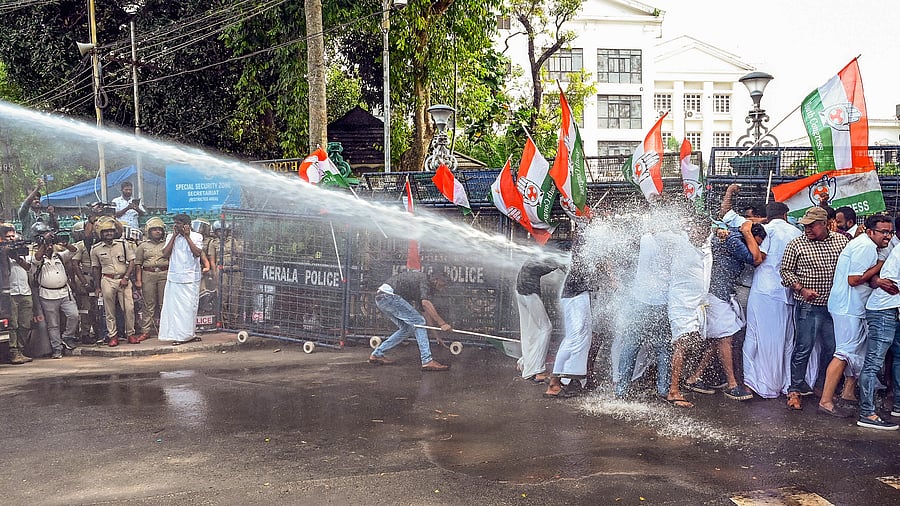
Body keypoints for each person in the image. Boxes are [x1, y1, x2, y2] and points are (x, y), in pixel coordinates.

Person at [819, 215, 893, 418]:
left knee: (856, 352)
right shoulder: (866, 246)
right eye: (883, 232)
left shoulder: (867, 244)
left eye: (889, 231)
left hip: (853, 306)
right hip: (847, 307)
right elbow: (854, 279)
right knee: (844, 352)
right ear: (871, 232)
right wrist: (880, 265)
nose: (887, 236)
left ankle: (848, 394)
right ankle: (825, 401)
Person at [683, 220, 765, 401]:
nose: (755, 247)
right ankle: (732, 385)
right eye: (755, 242)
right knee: (725, 338)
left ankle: (694, 377)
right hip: (715, 294)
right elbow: (756, 259)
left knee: (720, 339)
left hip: (720, 294)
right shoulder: (735, 240)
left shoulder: (731, 237)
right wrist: (748, 233)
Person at [780, 206, 849, 410]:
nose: (807, 229)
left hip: (833, 307)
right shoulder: (796, 244)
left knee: (832, 349)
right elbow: (785, 271)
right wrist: (801, 289)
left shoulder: (840, 241)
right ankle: (794, 391)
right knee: (803, 348)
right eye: (805, 226)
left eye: (812, 226)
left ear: (825, 224)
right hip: (808, 306)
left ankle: (821, 386)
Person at [742, 201, 803, 399]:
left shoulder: (766, 231)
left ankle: (757, 383)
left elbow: (759, 256)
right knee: (786, 341)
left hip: (764, 291)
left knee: (755, 336)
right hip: (788, 292)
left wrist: (748, 234)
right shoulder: (797, 233)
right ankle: (785, 384)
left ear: (768, 216)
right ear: (786, 215)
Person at [664, 213, 713, 408]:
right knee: (682, 344)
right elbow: (657, 229)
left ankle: (684, 379)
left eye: (703, 231)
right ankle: (673, 390)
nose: (698, 234)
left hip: (699, 305)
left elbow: (716, 227)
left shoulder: (706, 243)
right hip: (680, 304)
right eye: (695, 230)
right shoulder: (678, 239)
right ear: (690, 229)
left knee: (694, 342)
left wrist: (719, 230)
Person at [544, 225, 594, 398]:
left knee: (576, 338)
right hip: (575, 296)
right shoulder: (586, 244)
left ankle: (563, 381)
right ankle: (556, 383)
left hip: (576, 295)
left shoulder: (585, 244)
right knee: (575, 339)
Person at [370, 268, 451, 371]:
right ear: (436, 280)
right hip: (389, 296)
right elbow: (426, 304)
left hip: (381, 298)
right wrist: (442, 323)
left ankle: (377, 354)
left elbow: (425, 312)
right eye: (442, 285)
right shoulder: (424, 280)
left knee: (407, 328)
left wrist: (436, 336)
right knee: (418, 321)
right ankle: (427, 360)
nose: (442, 288)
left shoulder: (421, 287)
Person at [858, 232, 900, 430]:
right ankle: (867, 414)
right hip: (883, 310)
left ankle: (898, 406)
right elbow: (890, 285)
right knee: (874, 362)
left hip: (893, 309)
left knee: (898, 357)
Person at [32, 222, 79, 358]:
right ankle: (57, 349)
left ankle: (67, 337)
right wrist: (44, 244)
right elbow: (36, 258)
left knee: (74, 315)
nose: (50, 247)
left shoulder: (58, 255)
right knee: (53, 324)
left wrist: (63, 243)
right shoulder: (37, 257)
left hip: (64, 292)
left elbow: (73, 251)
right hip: (47, 294)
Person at [515, 256, 564, 383]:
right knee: (545, 328)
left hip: (520, 290)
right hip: (530, 292)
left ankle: (526, 363)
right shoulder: (558, 254)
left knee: (530, 330)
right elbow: (565, 267)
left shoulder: (542, 250)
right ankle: (538, 371)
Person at [158, 214, 204, 345]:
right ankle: (178, 336)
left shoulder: (197, 236)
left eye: (179, 223)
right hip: (174, 277)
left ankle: (189, 334)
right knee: (174, 309)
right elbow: (165, 254)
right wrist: (174, 236)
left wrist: (187, 236)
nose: (176, 225)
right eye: (175, 223)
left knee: (190, 308)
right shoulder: (170, 237)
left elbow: (197, 253)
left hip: (190, 278)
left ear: (187, 225)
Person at [90, 217, 137, 347]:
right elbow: (95, 268)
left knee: (129, 308)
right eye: (106, 231)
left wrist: (126, 277)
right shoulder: (96, 248)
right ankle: (113, 336)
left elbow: (132, 262)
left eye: (111, 231)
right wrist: (97, 286)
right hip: (107, 279)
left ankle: (130, 334)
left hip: (123, 279)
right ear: (101, 233)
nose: (109, 233)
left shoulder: (123, 244)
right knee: (109, 310)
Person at [1, 225, 33, 364]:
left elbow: (28, 267)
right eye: (8, 237)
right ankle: (13, 352)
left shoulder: (21, 251)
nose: (11, 239)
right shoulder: (2, 252)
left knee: (25, 324)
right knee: (13, 324)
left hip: (25, 291)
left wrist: (17, 257)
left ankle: (21, 350)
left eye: (12, 236)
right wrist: (5, 253)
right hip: (11, 293)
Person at [134, 217, 169, 340]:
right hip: (148, 275)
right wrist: (138, 280)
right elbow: (138, 264)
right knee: (149, 304)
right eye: (154, 230)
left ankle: (166, 330)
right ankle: (146, 330)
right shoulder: (142, 246)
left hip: (164, 274)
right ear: (149, 231)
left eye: (159, 229)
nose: (157, 232)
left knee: (164, 303)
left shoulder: (167, 243)